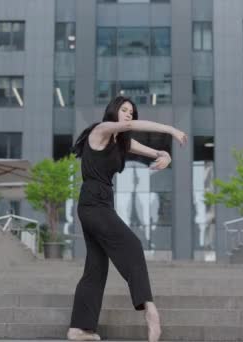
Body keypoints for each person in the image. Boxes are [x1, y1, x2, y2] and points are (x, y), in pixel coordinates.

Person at [67, 96, 188, 342]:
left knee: (96, 268)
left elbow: (155, 152)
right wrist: (171, 129)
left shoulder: (120, 142)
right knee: (131, 245)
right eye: (124, 110)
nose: (128, 114)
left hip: (101, 204)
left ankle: (79, 329)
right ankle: (150, 310)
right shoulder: (101, 130)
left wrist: (165, 155)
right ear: (113, 111)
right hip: (93, 203)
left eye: (131, 111)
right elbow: (130, 128)